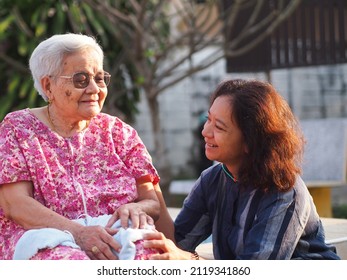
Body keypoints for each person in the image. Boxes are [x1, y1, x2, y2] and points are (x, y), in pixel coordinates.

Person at [0, 33, 162, 260]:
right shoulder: (18, 128)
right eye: (81, 79)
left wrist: (138, 208)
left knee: (149, 255)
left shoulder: (118, 132)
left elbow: (152, 201)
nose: (95, 88)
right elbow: (16, 205)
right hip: (44, 235)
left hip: (113, 231)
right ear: (48, 86)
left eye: (100, 78)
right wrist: (78, 233)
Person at [144, 78, 341, 260]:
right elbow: (177, 244)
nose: (205, 131)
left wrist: (189, 261)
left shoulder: (284, 191)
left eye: (219, 127)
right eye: (208, 119)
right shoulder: (211, 180)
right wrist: (148, 183)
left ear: (250, 141)